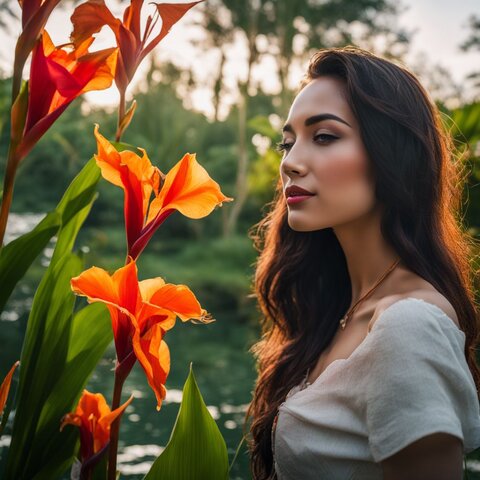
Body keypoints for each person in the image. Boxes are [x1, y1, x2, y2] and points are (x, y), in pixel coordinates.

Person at [246, 46, 480, 480]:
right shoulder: (336, 312)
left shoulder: (408, 325)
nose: (290, 163)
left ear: (392, 153)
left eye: (324, 137)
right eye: (288, 142)